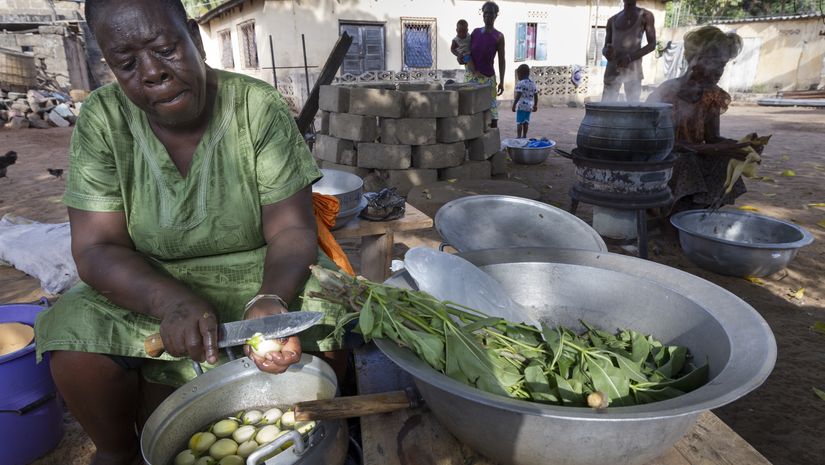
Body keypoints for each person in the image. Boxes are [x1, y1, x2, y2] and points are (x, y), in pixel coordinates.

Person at [32, 1, 347, 464]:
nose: (153, 73)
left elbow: (292, 229)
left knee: (332, 313)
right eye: (127, 63)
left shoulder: (255, 106)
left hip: (259, 270)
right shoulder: (103, 119)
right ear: (111, 68)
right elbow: (97, 247)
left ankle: (313, 438)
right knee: (70, 332)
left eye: (165, 49)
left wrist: (272, 299)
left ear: (195, 38)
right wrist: (170, 301)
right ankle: (119, 452)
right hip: (145, 278)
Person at [647, 25, 759, 214]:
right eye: (714, 63)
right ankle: (668, 216)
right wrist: (712, 148)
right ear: (693, 59)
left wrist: (741, 146)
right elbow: (657, 144)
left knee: (724, 162)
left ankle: (697, 213)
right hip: (663, 160)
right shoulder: (665, 94)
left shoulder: (713, 96)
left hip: (694, 156)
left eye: (722, 65)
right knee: (685, 161)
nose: (718, 72)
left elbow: (713, 138)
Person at [601, 0, 656, 102]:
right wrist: (607, 52)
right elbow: (605, 48)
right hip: (612, 69)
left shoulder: (645, 16)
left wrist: (630, 58)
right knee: (606, 104)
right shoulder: (612, 20)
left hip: (633, 69)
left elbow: (652, 45)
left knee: (632, 105)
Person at [467, 1, 506, 128]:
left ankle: (492, 142)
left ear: (496, 15)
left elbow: (502, 60)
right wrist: (461, 57)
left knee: (492, 113)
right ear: (482, 15)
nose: (487, 15)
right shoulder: (475, 32)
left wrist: (501, 81)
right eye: (485, 13)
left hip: (488, 78)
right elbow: (467, 53)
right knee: (471, 110)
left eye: (491, 13)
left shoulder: (499, 36)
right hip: (472, 76)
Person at [512, 64, 537, 138]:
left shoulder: (520, 83)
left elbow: (518, 94)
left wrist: (514, 105)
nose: (518, 77)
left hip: (521, 106)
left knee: (519, 122)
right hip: (529, 106)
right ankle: (524, 136)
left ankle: (519, 136)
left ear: (520, 74)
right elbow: (536, 95)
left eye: (518, 75)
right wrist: (535, 105)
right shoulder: (533, 83)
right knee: (526, 122)